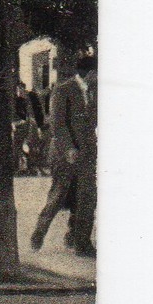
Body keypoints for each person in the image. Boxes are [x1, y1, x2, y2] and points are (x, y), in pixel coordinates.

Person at [31, 56, 97, 256]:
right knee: (58, 196)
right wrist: (69, 148)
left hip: (86, 154)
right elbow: (58, 125)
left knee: (87, 197)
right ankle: (39, 232)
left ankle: (81, 243)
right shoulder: (63, 90)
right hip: (64, 154)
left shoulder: (94, 92)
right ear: (90, 73)